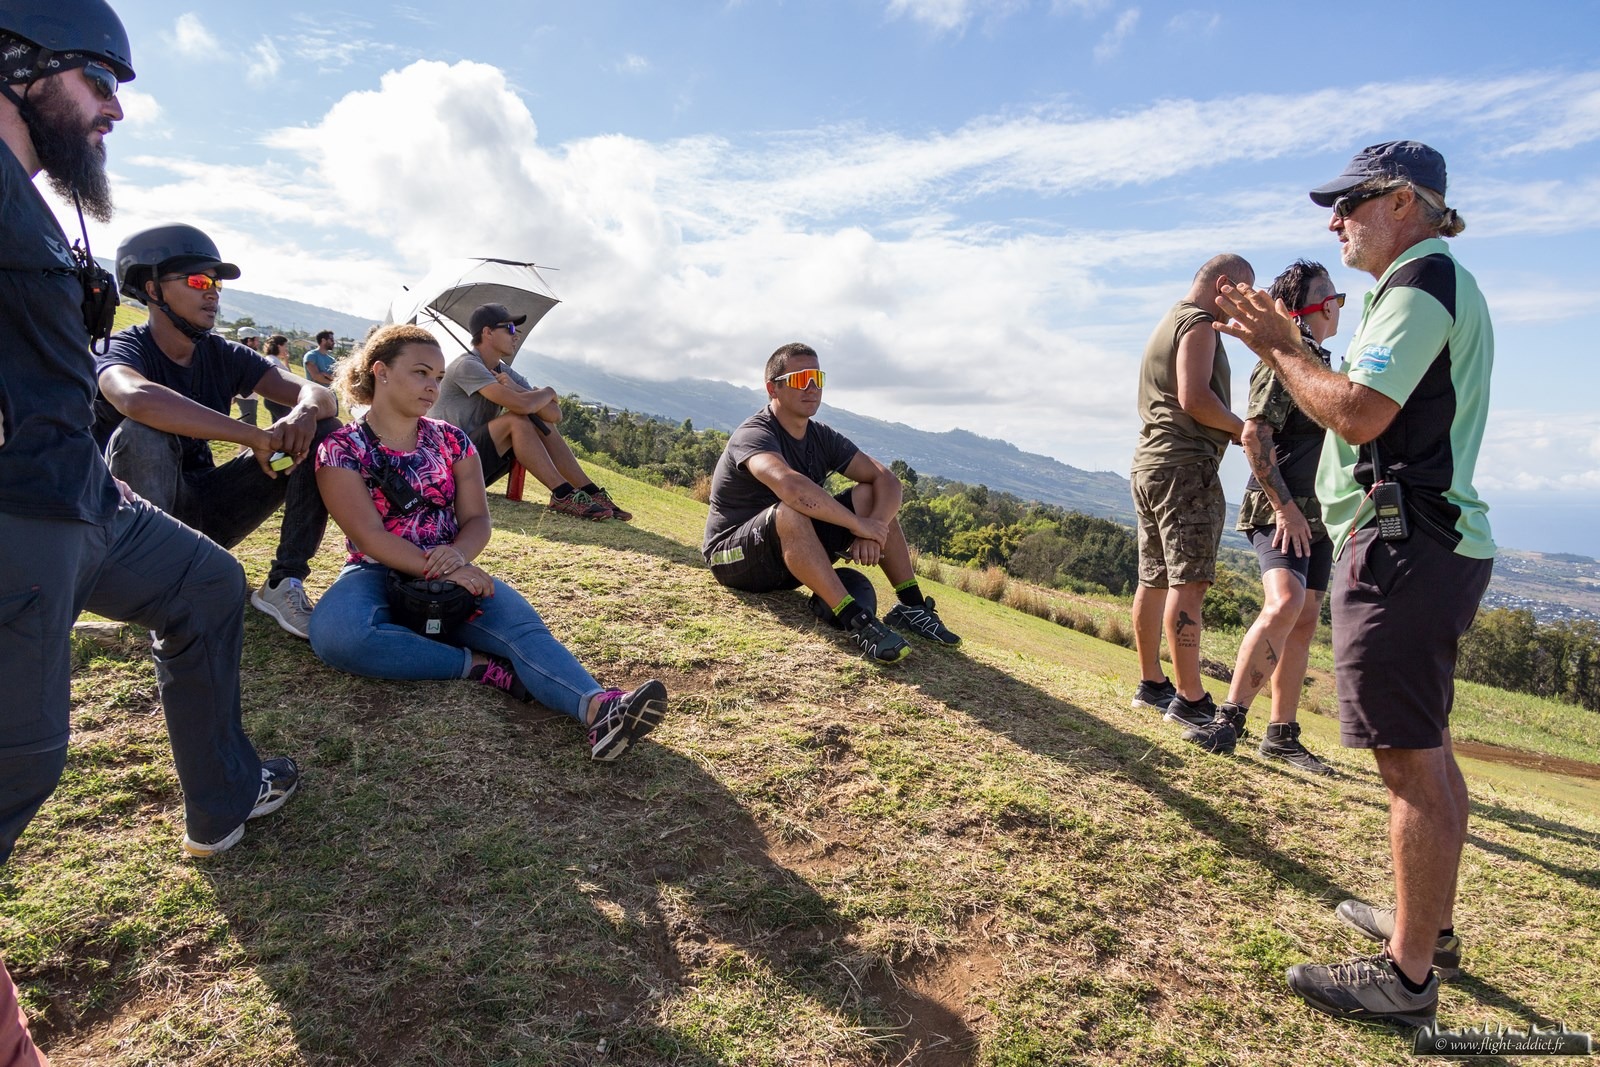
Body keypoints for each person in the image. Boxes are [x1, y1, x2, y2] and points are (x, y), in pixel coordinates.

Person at [0, 0, 299, 868]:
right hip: (21, 514)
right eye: (98, 79)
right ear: (16, 65)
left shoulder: (32, 202)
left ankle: (223, 798)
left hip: (87, 498)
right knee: (21, 761)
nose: (116, 109)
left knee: (208, 585)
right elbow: (128, 396)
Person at [1216, 141, 1493, 1027]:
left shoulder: (1420, 286)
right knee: (1428, 746)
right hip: (1425, 538)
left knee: (1408, 760)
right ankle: (1431, 927)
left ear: (1404, 201)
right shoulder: (1420, 284)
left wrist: (1281, 344)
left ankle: (1407, 977)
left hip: (1405, 543)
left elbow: (1360, 411)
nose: (1333, 221)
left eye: (1348, 203)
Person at [309, 324, 669, 761]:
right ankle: (477, 666)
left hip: (453, 569)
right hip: (376, 571)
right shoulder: (341, 448)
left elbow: (478, 518)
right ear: (381, 371)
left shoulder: (451, 440)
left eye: (438, 378)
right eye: (421, 373)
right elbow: (368, 535)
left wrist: (459, 555)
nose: (432, 386)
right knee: (338, 636)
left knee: (524, 632)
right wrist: (444, 567)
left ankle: (600, 709)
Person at [92, 223, 340, 640]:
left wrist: (305, 413)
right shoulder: (123, 348)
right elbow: (136, 398)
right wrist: (255, 437)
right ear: (152, 289)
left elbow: (320, 393)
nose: (213, 292)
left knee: (322, 429)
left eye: (217, 284)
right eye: (198, 280)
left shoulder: (223, 353)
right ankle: (152, 584)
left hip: (207, 509)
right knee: (143, 432)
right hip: (131, 525)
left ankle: (284, 581)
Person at [702, 342, 960, 663]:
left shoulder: (821, 436)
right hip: (734, 557)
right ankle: (858, 622)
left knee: (871, 496)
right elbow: (792, 488)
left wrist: (872, 529)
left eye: (817, 378)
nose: (811, 387)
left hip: (791, 556)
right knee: (790, 511)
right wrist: (857, 525)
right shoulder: (754, 434)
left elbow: (888, 481)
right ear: (773, 389)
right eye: (800, 379)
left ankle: (911, 606)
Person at [1182, 260, 1340, 775]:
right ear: (1310, 309)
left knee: (1305, 617)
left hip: (1317, 519)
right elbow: (1254, 435)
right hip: (1282, 512)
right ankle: (1229, 718)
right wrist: (1286, 509)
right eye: (1332, 297)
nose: (1339, 307)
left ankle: (1282, 734)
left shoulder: (1317, 362)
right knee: (1286, 603)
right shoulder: (1282, 360)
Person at [1127, 254, 1252, 726]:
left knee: (1154, 577)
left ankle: (1152, 684)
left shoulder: (1169, 320)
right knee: (1189, 581)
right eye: (1243, 294)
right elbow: (1195, 398)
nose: (1244, 308)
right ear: (1223, 285)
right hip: (1185, 469)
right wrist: (1243, 431)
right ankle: (1190, 699)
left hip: (1150, 464)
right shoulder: (1199, 323)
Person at [430, 302, 631, 522]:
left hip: (474, 464)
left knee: (536, 421)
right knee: (517, 419)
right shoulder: (466, 366)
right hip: (448, 465)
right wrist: (548, 391)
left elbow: (554, 415)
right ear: (487, 332)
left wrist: (518, 390)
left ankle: (590, 491)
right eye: (510, 328)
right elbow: (524, 406)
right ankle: (563, 494)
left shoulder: (503, 371)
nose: (516, 335)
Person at [232, 325, 262, 426]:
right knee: (249, 425)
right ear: (249, 340)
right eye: (256, 340)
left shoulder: (240, 353)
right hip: (246, 396)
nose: (258, 343)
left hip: (246, 395)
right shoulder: (247, 355)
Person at [261, 333, 293, 422]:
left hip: (274, 399)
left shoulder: (274, 360)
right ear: (279, 346)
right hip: (277, 400)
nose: (286, 349)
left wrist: (286, 361)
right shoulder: (272, 361)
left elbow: (290, 375)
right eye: (285, 346)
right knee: (287, 424)